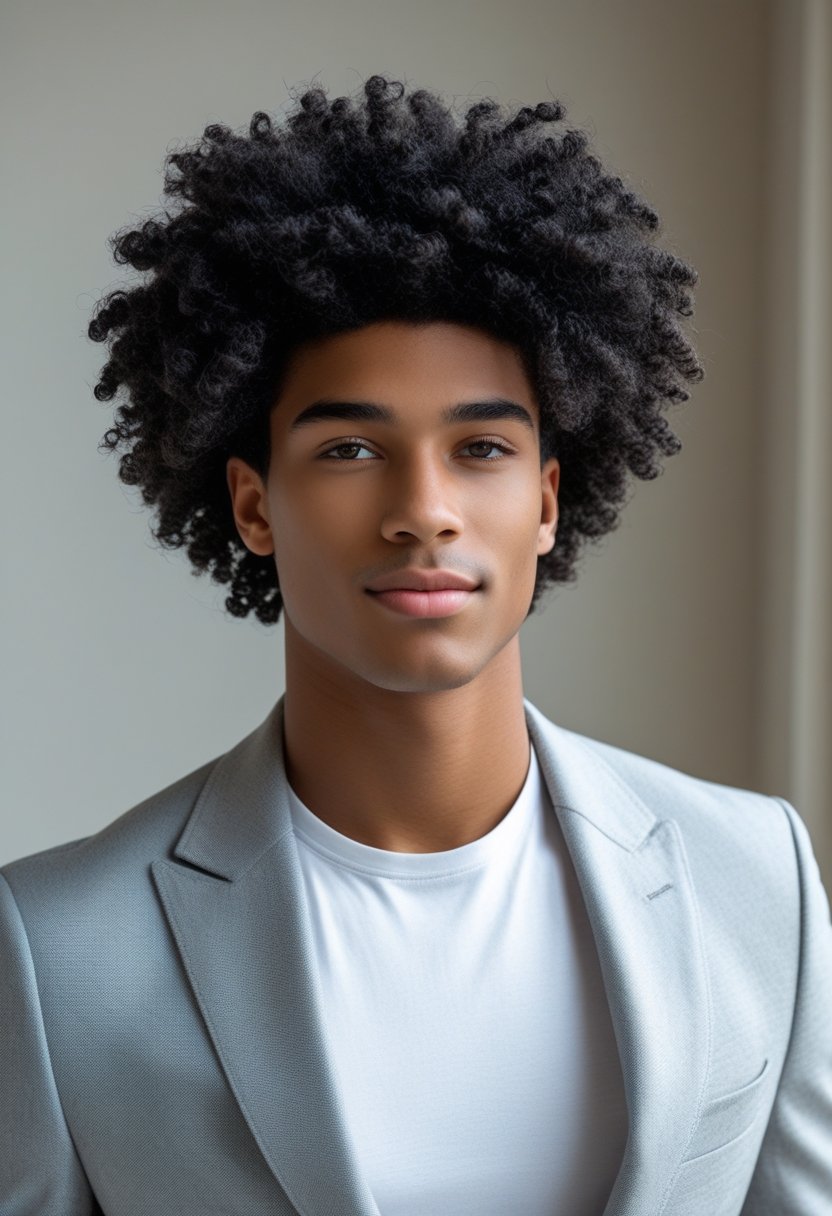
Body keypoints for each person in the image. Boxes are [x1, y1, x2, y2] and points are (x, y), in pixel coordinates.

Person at [1, 74, 830, 1216]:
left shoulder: (756, 875)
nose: (423, 508)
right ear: (252, 505)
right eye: (348, 449)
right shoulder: (61, 948)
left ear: (546, 500)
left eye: (481, 448)